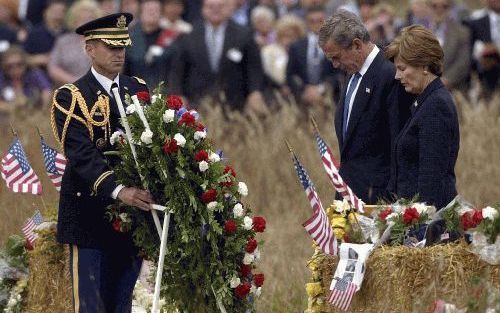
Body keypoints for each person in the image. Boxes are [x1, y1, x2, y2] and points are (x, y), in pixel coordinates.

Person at [51, 12, 155, 312]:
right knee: (90, 306)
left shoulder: (137, 89)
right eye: (110, 46)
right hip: (89, 220)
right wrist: (120, 190)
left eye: (122, 46)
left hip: (130, 223)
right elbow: (82, 155)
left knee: (121, 304)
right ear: (90, 48)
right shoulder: (70, 97)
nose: (118, 53)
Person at [318, 9, 411, 204]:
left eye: (336, 57)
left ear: (356, 45)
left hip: (378, 200)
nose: (335, 65)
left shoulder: (389, 75)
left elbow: (399, 144)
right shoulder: (352, 70)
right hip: (349, 194)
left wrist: (393, 202)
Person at [385, 25, 459, 209]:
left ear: (424, 65)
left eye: (402, 68)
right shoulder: (425, 101)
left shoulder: (436, 105)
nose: (397, 75)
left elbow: (431, 178)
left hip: (430, 222)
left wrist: (420, 228)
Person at [169, 0, 266, 113]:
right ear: (203, 9)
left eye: (220, 6)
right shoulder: (189, 35)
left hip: (235, 104)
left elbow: (254, 68)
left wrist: (255, 92)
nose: (215, 10)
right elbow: (177, 70)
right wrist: (177, 94)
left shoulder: (244, 35)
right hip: (196, 103)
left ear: (229, 8)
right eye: (210, 6)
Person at [47, 0, 101, 87]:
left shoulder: (104, 41)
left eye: (89, 19)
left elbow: (113, 66)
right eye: (82, 19)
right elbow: (53, 67)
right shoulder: (63, 41)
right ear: (74, 21)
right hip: (69, 88)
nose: (86, 23)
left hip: (98, 88)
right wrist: (73, 81)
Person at [0, 45, 52, 122]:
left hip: (35, 115)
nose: (15, 69)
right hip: (8, 118)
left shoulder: (34, 74)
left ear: (25, 63)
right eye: (9, 66)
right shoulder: (2, 77)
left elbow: (47, 91)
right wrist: (11, 108)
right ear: (4, 66)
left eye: (19, 64)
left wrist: (43, 109)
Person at [429, 0, 471, 94]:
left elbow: (464, 61)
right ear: (429, 8)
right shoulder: (420, 32)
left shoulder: (462, 32)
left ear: (450, 8)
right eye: (434, 6)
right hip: (425, 88)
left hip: (453, 89)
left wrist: (447, 80)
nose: (439, 10)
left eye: (444, 6)